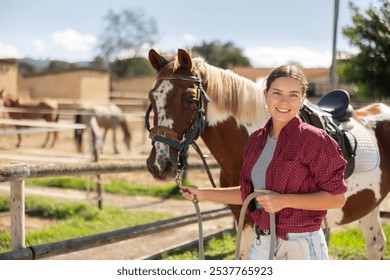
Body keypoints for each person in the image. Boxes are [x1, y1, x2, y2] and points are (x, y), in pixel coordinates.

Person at [180, 64, 347, 260]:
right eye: (277, 93)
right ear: (265, 94)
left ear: (302, 99)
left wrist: (284, 200)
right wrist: (202, 193)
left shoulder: (316, 140)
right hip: (261, 243)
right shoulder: (256, 140)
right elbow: (249, 195)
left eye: (293, 94)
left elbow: (337, 198)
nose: (284, 101)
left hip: (301, 246)